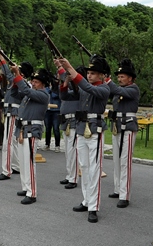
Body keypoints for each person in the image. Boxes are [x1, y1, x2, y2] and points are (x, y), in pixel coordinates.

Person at [59, 55, 110, 223]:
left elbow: (89, 89)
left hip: (95, 129)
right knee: (84, 167)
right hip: (81, 128)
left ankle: (94, 206)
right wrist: (66, 80)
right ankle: (86, 200)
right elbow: (66, 97)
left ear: (102, 76)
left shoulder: (103, 89)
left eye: (94, 73)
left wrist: (72, 69)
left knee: (95, 169)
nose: (90, 75)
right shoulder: (84, 87)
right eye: (89, 72)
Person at [13, 66, 51, 204]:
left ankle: (32, 192)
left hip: (32, 129)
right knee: (23, 162)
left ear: (43, 83)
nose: (33, 83)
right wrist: (14, 77)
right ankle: (26, 186)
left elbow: (26, 90)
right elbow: (17, 93)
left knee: (29, 162)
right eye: (33, 80)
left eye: (36, 81)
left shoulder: (43, 94)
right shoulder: (31, 94)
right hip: (23, 128)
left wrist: (18, 75)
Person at [106, 59, 140, 209]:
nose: (119, 79)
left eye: (122, 76)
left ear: (130, 78)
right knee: (116, 160)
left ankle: (124, 195)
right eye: (118, 77)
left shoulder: (133, 89)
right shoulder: (119, 90)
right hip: (117, 125)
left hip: (128, 126)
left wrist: (108, 80)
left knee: (125, 161)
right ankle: (117, 188)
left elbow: (119, 91)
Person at [0, 58, 32, 181]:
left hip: (14, 113)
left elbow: (10, 75)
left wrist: (3, 61)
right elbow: (8, 74)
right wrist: (1, 59)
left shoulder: (23, 84)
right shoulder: (15, 82)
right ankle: (16, 165)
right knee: (13, 142)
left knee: (8, 142)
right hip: (9, 112)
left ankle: (6, 170)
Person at [57, 65, 85, 190]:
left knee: (73, 152)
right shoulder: (71, 90)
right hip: (66, 121)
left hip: (74, 121)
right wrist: (66, 80)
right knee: (68, 152)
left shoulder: (81, 91)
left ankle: (73, 178)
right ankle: (69, 175)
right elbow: (63, 95)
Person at [44, 77, 61, 152]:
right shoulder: (47, 88)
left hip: (56, 110)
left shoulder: (58, 89)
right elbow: (46, 93)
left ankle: (57, 145)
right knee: (47, 128)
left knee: (56, 128)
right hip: (48, 110)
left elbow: (55, 95)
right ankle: (47, 144)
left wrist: (54, 88)